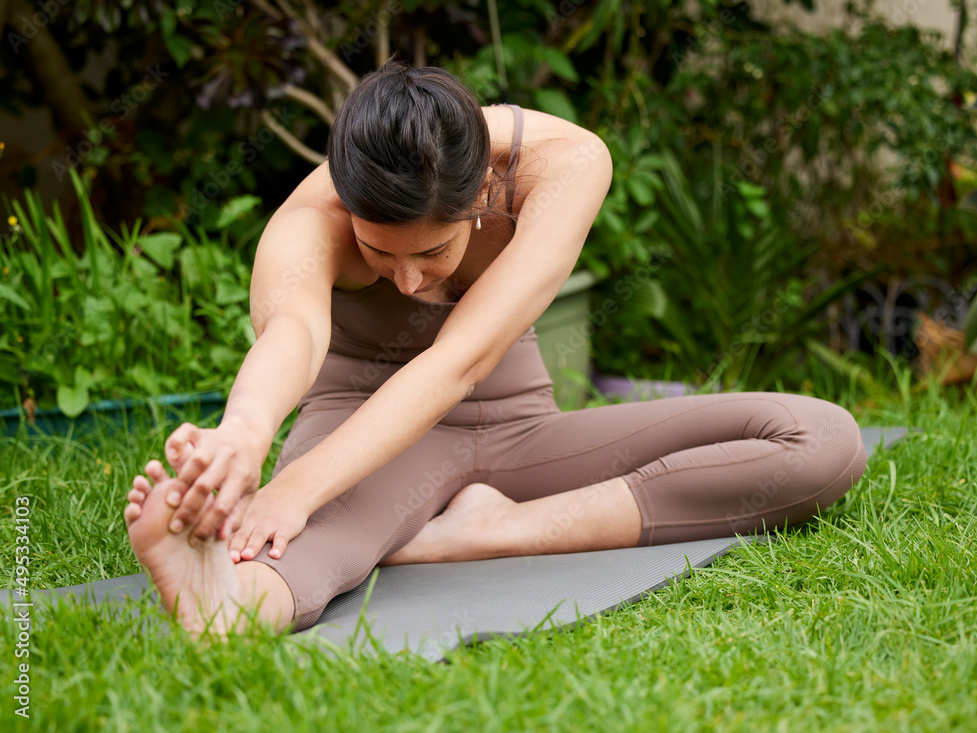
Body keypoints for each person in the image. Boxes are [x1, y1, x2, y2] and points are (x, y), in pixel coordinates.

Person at [124, 60, 868, 636]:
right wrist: (249, 434)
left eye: (435, 251)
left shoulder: (566, 163)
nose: (409, 282)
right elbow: (294, 331)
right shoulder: (309, 219)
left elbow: (461, 363)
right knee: (297, 541)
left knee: (822, 439)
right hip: (364, 426)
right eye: (379, 254)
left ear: (481, 191)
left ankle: (489, 529)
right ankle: (224, 599)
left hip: (518, 427)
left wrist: (298, 484)